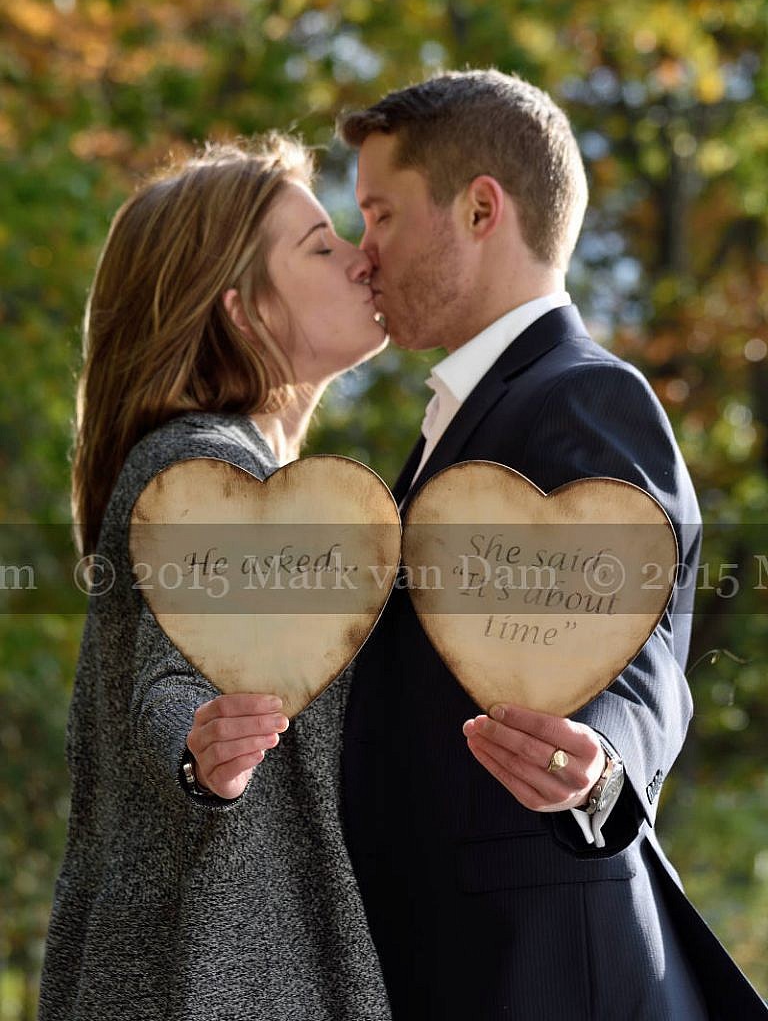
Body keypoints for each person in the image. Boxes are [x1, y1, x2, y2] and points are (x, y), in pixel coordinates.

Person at [337, 70, 767, 1019]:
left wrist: (599, 767)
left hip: (541, 970)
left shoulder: (582, 394)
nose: (362, 255)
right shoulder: (450, 419)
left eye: (381, 215)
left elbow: (642, 651)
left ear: (482, 209)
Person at [38, 136, 394, 1020]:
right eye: (322, 247)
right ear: (242, 312)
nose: (364, 258)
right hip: (207, 982)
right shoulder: (201, 468)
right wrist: (202, 752)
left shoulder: (199, 465)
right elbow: (173, 680)